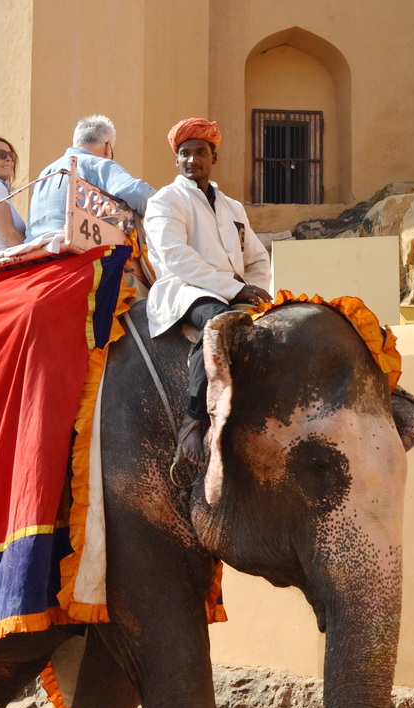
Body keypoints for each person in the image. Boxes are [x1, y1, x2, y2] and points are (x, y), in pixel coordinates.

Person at [144, 118, 272, 474]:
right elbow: (176, 257)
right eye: (184, 153)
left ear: (213, 155)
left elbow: (257, 259)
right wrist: (234, 289)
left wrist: (252, 294)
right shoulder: (165, 201)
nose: (191, 160)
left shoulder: (233, 207)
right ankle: (193, 421)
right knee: (219, 323)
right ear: (177, 160)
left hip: (232, 293)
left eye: (200, 152)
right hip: (184, 290)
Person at [25, 114, 156, 241]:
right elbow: (140, 194)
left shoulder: (45, 172)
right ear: (108, 146)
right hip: (75, 244)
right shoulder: (98, 164)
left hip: (35, 247)